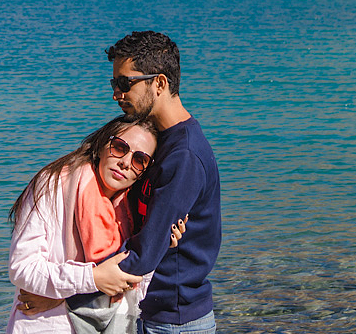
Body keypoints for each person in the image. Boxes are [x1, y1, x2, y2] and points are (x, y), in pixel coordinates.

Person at [20, 31, 222, 334]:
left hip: (175, 321)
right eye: (115, 83)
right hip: (151, 313)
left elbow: (143, 255)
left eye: (125, 83)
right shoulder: (156, 144)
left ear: (160, 83)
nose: (116, 94)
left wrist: (60, 298)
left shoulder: (184, 156)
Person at [6, 116, 164, 334]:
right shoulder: (54, 185)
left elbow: (134, 288)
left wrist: (166, 243)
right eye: (119, 147)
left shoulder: (134, 209)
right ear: (101, 146)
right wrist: (92, 279)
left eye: (139, 160)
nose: (126, 162)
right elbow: (22, 268)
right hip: (49, 326)